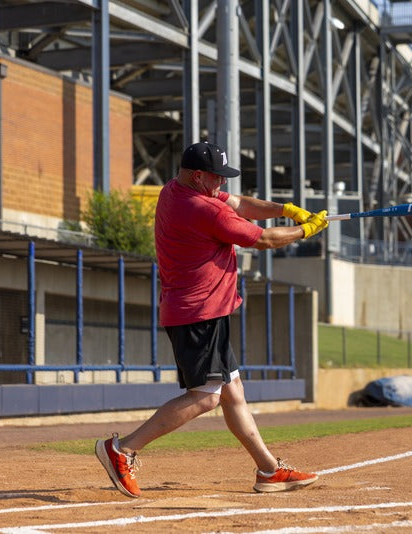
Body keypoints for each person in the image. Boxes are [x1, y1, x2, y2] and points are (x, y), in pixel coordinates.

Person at [95, 141, 327, 498]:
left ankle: (268, 470)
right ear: (198, 175)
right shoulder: (202, 210)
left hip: (205, 311)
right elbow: (263, 239)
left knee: (233, 393)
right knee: (206, 397)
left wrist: (287, 209)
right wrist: (306, 231)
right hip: (197, 314)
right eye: (217, 177)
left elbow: (240, 203)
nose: (221, 184)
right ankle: (122, 449)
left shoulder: (175, 189)